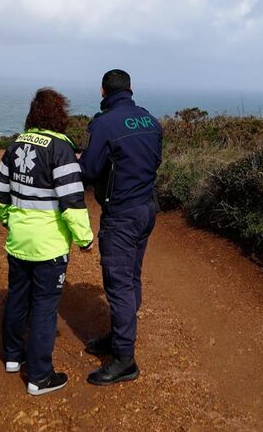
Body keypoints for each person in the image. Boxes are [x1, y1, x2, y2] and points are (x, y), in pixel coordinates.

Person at [0, 88, 94, 396]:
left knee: (18, 297)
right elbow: (72, 200)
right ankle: (39, 377)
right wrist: (85, 238)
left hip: (19, 240)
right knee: (45, 307)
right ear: (59, 114)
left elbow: (0, 195)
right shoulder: (61, 148)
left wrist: (10, 221)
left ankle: (12, 356)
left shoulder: (15, 144)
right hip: (48, 246)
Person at [79, 69, 163, 386]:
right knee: (132, 276)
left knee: (119, 284)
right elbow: (154, 161)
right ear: (130, 89)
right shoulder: (150, 120)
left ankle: (125, 360)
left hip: (122, 215)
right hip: (146, 209)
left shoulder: (104, 123)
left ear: (103, 91)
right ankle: (118, 336)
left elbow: (89, 170)